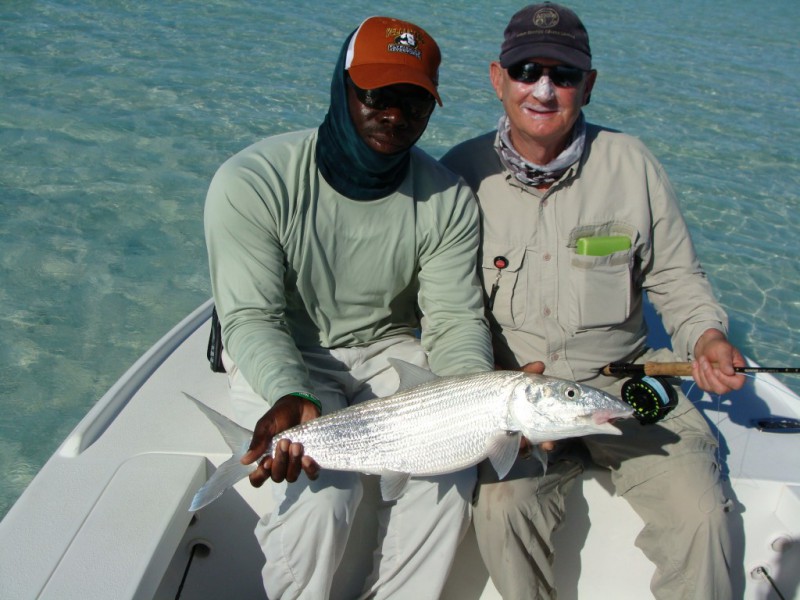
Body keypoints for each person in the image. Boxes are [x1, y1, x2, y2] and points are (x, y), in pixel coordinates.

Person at [441, 3, 746, 599]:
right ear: (497, 78)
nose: (544, 89)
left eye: (565, 75)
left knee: (704, 516)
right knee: (502, 510)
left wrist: (706, 337)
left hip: (627, 386)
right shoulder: (458, 176)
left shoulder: (633, 164)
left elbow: (678, 281)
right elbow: (445, 311)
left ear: (589, 85)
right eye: (527, 70)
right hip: (517, 407)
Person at [204, 15, 493, 599]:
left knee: (452, 470)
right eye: (377, 93)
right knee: (321, 498)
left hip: (389, 348)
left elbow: (457, 320)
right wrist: (290, 391)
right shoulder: (253, 181)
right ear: (342, 87)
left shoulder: (448, 200)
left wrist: (473, 400)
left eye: (415, 100)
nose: (395, 114)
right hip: (287, 349)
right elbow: (252, 317)